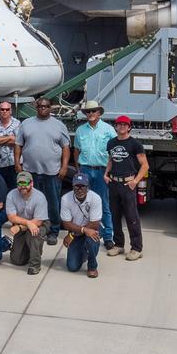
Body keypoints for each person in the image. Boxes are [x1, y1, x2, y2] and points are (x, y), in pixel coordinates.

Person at [15, 97, 70, 245]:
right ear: (36, 107)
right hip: (30, 170)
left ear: (50, 107)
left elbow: (65, 147)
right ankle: (35, 227)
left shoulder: (59, 125)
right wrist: (17, 163)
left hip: (52, 172)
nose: (42, 108)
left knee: (52, 202)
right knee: (32, 201)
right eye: (39, 106)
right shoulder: (26, 124)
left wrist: (64, 167)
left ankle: (53, 230)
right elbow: (18, 144)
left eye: (45, 106)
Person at [73, 100, 116, 250]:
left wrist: (109, 172)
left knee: (103, 203)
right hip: (85, 170)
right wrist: (79, 169)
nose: (90, 114)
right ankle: (86, 232)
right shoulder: (80, 131)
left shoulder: (109, 130)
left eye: (93, 111)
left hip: (101, 171)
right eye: (88, 112)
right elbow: (76, 150)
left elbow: (114, 152)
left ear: (99, 113)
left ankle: (108, 236)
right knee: (84, 203)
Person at [105, 115, 148, 260]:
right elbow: (111, 160)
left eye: (125, 124)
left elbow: (145, 165)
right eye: (119, 124)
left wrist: (135, 181)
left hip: (127, 184)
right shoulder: (111, 143)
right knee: (115, 215)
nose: (122, 126)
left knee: (131, 217)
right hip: (113, 183)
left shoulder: (135, 144)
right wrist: (106, 174)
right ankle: (118, 244)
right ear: (115, 127)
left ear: (129, 127)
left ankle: (136, 248)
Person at [6, 171, 49, 275]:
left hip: (40, 223)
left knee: (34, 233)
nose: (22, 186)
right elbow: (11, 217)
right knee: (17, 260)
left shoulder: (39, 197)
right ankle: (33, 251)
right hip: (22, 223)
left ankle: (35, 265)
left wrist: (21, 227)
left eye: (25, 183)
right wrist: (27, 223)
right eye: (20, 184)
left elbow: (38, 221)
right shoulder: (11, 195)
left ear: (31, 183)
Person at [60, 173, 103, 278]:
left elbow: (95, 223)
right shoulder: (65, 199)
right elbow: (66, 224)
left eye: (82, 186)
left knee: (92, 238)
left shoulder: (95, 198)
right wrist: (81, 231)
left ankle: (92, 267)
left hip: (93, 229)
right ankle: (84, 252)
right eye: (77, 186)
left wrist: (73, 234)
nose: (80, 189)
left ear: (87, 187)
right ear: (73, 187)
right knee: (72, 267)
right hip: (78, 231)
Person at [0, 100, 20, 190]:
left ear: (11, 111)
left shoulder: (17, 123)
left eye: (7, 109)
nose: (4, 111)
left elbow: (18, 141)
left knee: (15, 190)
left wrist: (0, 140)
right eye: (2, 109)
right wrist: (10, 137)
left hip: (14, 164)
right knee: (0, 190)